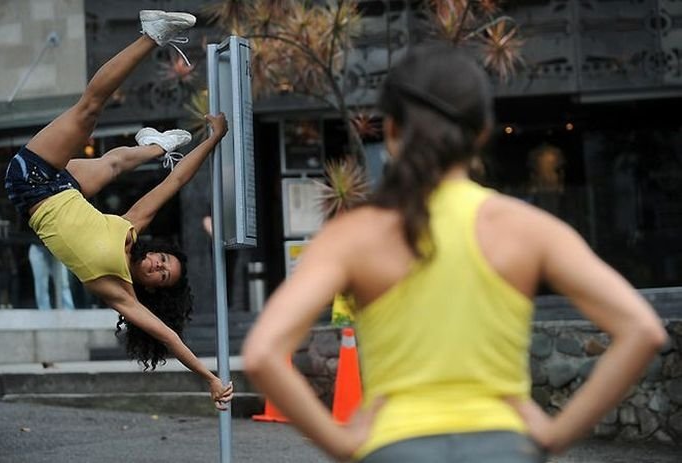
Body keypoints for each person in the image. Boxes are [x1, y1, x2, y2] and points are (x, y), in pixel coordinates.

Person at [242, 43, 669, 461]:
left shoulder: (354, 236)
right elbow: (642, 330)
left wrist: (343, 445)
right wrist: (555, 436)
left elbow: (262, 353)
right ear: (482, 132)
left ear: (391, 130)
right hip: (506, 446)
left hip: (395, 447)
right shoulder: (527, 228)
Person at [4, 10, 233, 410]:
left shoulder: (119, 291)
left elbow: (168, 336)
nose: (158, 266)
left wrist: (211, 378)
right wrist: (213, 138)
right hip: (66, 187)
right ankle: (157, 146)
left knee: (90, 110)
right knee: (113, 163)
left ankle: (151, 33)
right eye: (164, 260)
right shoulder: (129, 229)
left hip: (31, 184)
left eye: (161, 276)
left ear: (149, 289)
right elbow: (175, 182)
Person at [28, 242, 75, 310]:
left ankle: (69, 314)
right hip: (37, 247)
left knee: (63, 285)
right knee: (41, 286)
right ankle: (45, 317)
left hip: (56, 248)